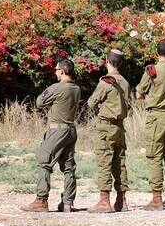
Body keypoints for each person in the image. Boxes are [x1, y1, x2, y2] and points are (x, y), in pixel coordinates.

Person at [20, 59, 81, 213]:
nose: (55, 72)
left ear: (62, 71)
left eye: (56, 69)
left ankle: (41, 200)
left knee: (43, 161)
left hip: (57, 130)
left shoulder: (57, 87)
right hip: (70, 130)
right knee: (68, 167)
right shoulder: (76, 88)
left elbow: (39, 102)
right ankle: (68, 202)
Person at [136, 39, 165, 211]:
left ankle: (157, 198)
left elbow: (139, 94)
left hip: (156, 116)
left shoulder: (152, 70)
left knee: (154, 156)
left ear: (157, 52)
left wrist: (150, 97)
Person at [86, 49, 131, 213]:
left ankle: (104, 201)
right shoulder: (125, 82)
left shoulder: (106, 82)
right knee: (120, 163)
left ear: (108, 62)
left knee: (104, 161)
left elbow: (91, 103)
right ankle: (122, 200)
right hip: (120, 127)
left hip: (105, 126)